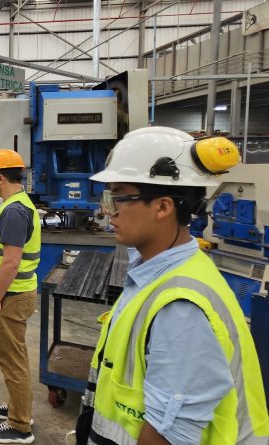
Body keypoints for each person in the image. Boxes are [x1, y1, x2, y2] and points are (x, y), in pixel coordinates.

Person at [76, 127, 268, 444]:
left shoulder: (181, 305)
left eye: (118, 197)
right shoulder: (157, 273)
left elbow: (169, 435)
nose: (107, 211)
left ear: (163, 207)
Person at [0, 149, 42, 444]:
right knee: (15, 357)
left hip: (9, 298)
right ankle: (17, 407)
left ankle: (19, 426)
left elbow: (11, 262)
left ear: (1, 178)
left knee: (12, 360)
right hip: (14, 295)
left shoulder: (14, 211)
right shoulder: (18, 205)